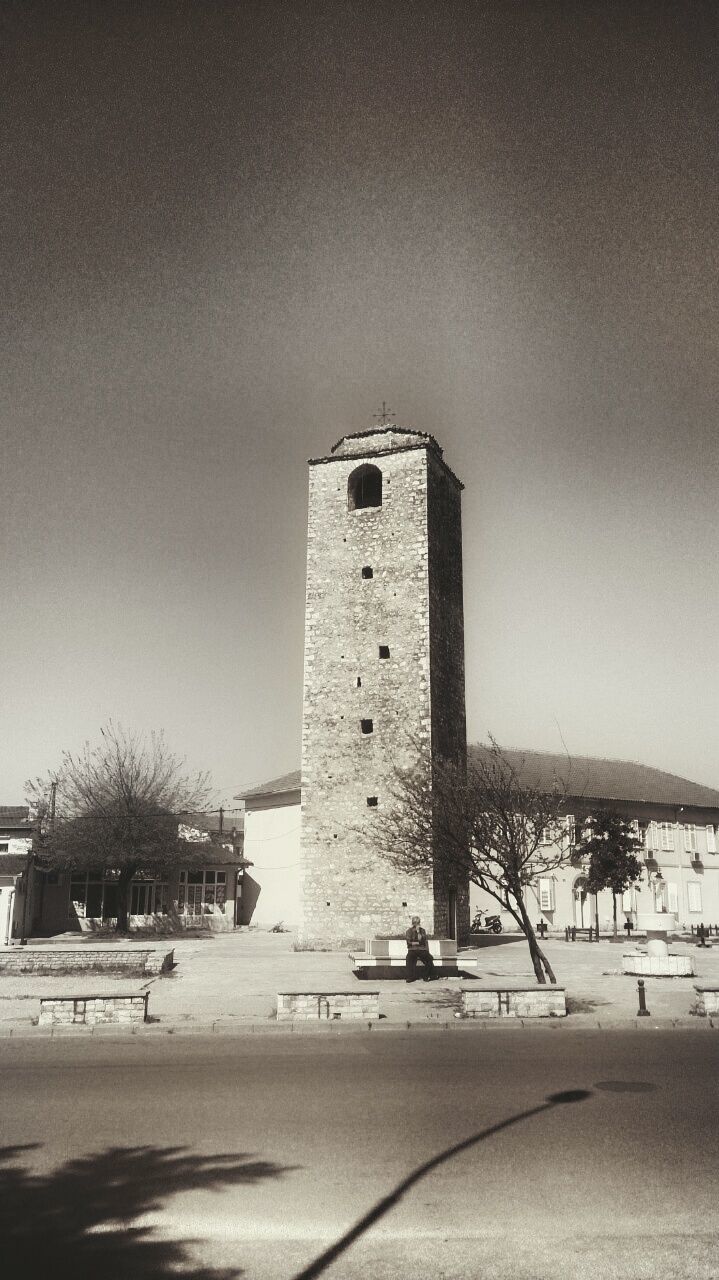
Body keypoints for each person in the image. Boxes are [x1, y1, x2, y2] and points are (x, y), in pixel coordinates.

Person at [405, 915, 436, 982]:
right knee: (409, 959)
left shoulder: (422, 931)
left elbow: (423, 940)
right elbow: (409, 942)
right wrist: (418, 943)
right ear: (413, 923)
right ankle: (410, 977)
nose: (417, 924)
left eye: (418, 923)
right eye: (415, 923)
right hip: (412, 950)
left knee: (429, 959)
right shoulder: (409, 931)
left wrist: (418, 932)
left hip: (421, 949)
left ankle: (425, 975)